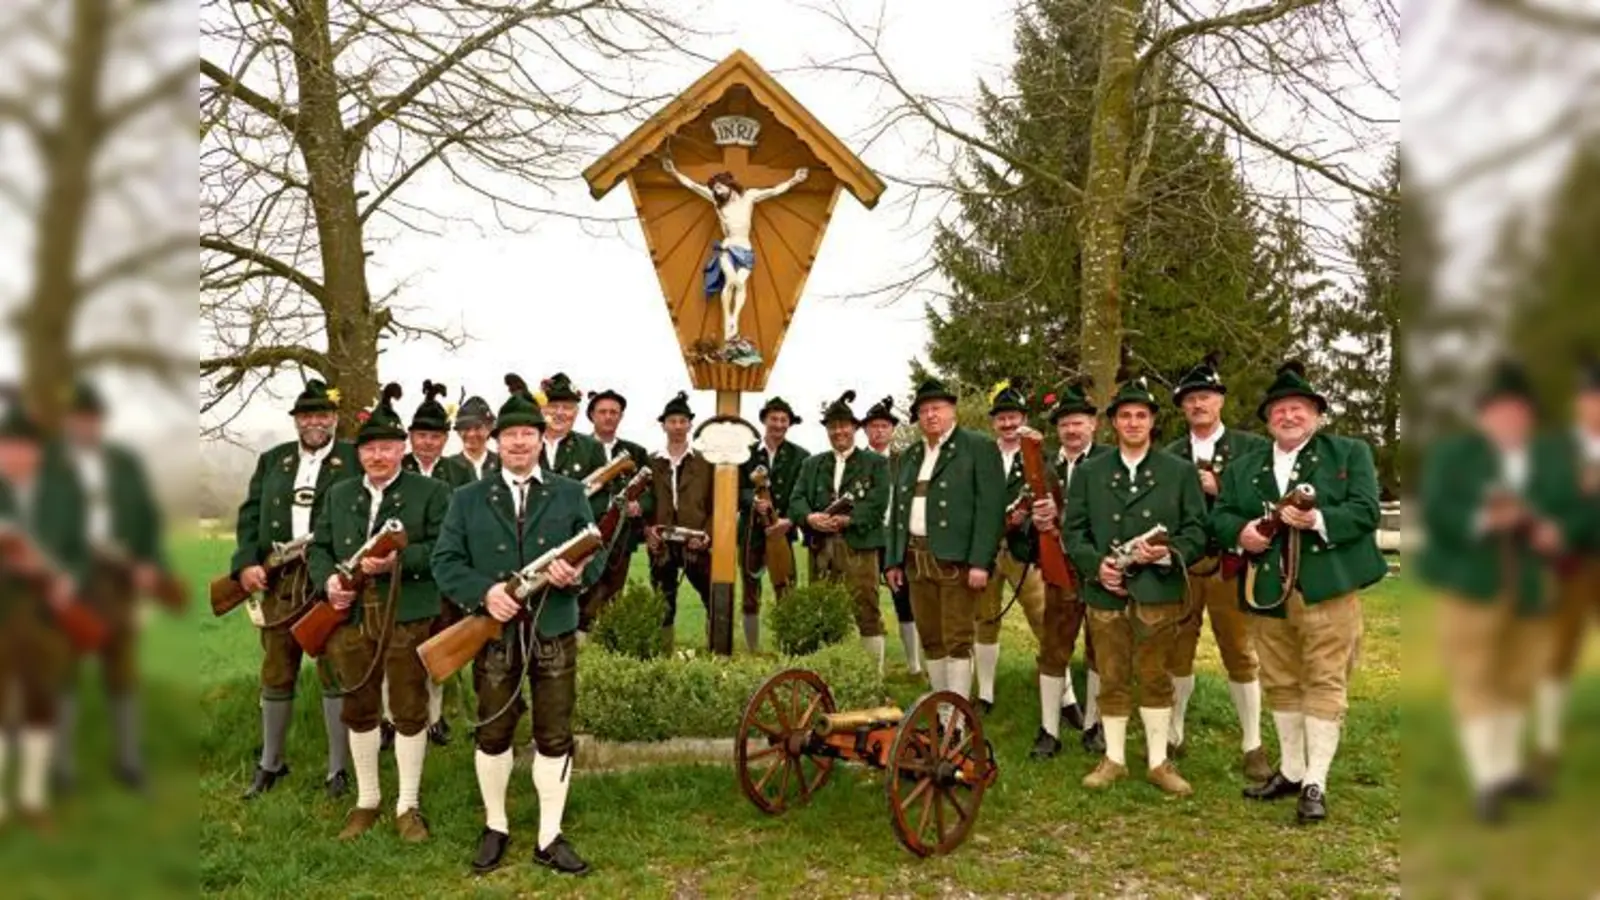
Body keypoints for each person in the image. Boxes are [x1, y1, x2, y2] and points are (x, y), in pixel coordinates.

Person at [431, 374, 607, 876]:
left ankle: (550, 836)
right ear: (495, 440)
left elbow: (595, 557)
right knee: (492, 733)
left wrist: (574, 574)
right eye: (509, 435)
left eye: (528, 433)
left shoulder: (572, 493)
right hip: (494, 632)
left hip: (552, 629)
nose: (519, 442)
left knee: (554, 735)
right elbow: (446, 561)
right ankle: (496, 825)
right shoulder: (467, 498)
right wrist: (484, 593)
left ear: (539, 437)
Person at [1212, 361, 1388, 823]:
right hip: (1266, 589)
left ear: (1316, 414)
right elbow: (1222, 516)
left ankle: (1316, 781)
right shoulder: (1245, 466)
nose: (1288, 417)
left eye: (1298, 409)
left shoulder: (1348, 454)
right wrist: (1243, 532)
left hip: (1325, 587)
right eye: (1280, 411)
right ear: (1268, 419)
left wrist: (1318, 520)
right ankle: (1290, 770)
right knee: (1280, 680)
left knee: (1325, 680)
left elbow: (1366, 511)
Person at [1419, 362, 1573, 823]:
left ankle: (1507, 771)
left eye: (1518, 411)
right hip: (1472, 584)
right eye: (1500, 411)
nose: (1509, 419)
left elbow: (1575, 507)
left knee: (1519, 678)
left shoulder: (1549, 458)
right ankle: (1485, 780)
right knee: (1475, 679)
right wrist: (1489, 520)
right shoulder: (1455, 456)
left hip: (1531, 584)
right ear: (1485, 415)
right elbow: (1440, 514)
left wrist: (1554, 530)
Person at [310, 384, 451, 841]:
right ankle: (366, 801)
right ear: (360, 452)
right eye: (370, 448)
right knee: (358, 705)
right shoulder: (338, 493)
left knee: (410, 708)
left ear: (402, 448)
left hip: (407, 612)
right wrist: (328, 581)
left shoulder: (431, 492)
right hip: (351, 617)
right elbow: (320, 549)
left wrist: (397, 562)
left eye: (387, 447)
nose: (378, 456)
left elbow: (444, 551)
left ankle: (407, 805)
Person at [1063, 376, 1207, 796]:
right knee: (1110, 674)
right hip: (1105, 592)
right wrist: (1097, 566)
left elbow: (1198, 532)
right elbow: (1073, 533)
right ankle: (1114, 759)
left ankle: (1159, 762)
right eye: (1125, 415)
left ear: (1153, 422)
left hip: (1158, 592)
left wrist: (1164, 554)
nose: (1133, 422)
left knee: (1156, 674)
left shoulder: (1178, 472)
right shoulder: (1090, 472)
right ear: (1113, 423)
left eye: (1141, 415)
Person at [230, 379, 359, 799]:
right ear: (297, 421)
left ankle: (338, 770)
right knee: (277, 668)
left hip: (329, 578)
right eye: (307, 416)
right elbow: (250, 516)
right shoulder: (273, 460)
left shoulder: (354, 457)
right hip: (279, 580)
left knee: (335, 668)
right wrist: (246, 564)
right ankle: (271, 763)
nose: (314, 422)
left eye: (322, 415)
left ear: (334, 419)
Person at [51, 381, 169, 792]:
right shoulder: (50, 465)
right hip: (69, 581)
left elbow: (147, 518)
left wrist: (150, 564)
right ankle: (61, 767)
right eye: (77, 419)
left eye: (91, 419)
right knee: (62, 670)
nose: (84, 426)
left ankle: (128, 761)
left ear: (100, 421)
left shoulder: (124, 463)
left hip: (119, 581)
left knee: (122, 668)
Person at [1162, 354, 1273, 779]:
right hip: (1186, 566)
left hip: (1232, 563)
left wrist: (1221, 486)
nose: (1197, 405)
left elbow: (1267, 501)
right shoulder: (1171, 454)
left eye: (1205, 396)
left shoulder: (1251, 448)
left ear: (1220, 401)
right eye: (1190, 399)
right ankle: (1173, 732)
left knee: (1239, 650)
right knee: (1178, 649)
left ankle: (1252, 744)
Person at [883, 379, 1006, 711]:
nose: (930, 415)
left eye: (936, 408)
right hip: (915, 559)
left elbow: (991, 509)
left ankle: (959, 715)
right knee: (931, 637)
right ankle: (941, 708)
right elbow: (898, 511)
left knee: (957, 639)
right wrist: (893, 560)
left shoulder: (978, 447)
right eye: (923, 410)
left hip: (957, 561)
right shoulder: (910, 455)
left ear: (952, 411)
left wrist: (981, 561)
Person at [0, 398, 85, 830]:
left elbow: (77, 551)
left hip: (47, 614)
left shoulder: (61, 496)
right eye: (7, 447)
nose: (15, 456)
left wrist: (64, 579)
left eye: (23, 448)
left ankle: (32, 798)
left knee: (40, 703)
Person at [1023, 380, 1109, 759]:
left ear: (1093, 425)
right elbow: (1027, 522)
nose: (1072, 430)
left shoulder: (1110, 461)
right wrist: (1037, 521)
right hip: (1059, 571)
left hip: (1100, 568)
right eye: (1064, 425)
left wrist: (1064, 516)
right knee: (1053, 648)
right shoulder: (1045, 468)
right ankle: (1048, 729)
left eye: (1078, 422)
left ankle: (1094, 724)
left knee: (1100, 648)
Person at [393, 379, 473, 748]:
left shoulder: (460, 473)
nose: (428, 442)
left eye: (436, 436)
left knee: (439, 647)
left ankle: (434, 718)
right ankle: (392, 719)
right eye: (421, 435)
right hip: (401, 575)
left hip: (444, 576)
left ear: (446, 439)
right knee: (398, 650)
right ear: (410, 437)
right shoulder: (395, 469)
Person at [790, 391, 891, 670]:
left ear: (855, 428)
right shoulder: (812, 464)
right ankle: (830, 672)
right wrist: (810, 518)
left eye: (844, 425)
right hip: (821, 548)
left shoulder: (876, 463)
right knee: (823, 610)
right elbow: (795, 500)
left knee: (867, 609)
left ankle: (874, 676)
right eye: (833, 426)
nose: (839, 431)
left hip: (859, 547)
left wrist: (849, 520)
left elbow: (878, 503)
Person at [663, 155, 808, 342]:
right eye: (715, 190)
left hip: (746, 249)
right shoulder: (718, 204)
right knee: (730, 282)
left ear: (728, 184)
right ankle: (728, 321)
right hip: (728, 248)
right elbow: (693, 186)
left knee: (740, 284)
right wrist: (674, 172)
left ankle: (734, 320)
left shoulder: (749, 197)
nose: (718, 192)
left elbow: (774, 191)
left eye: (719, 187)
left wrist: (794, 180)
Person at [1539, 356, 1600, 778]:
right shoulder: (1557, 451)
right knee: (1558, 654)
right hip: (1573, 567)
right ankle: (1546, 746)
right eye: (1589, 398)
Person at [975, 381, 1048, 714]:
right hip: (987, 551)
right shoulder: (982, 456)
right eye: (1002, 418)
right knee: (984, 620)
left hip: (1024, 551)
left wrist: (1027, 517)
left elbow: (1049, 496)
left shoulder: (1036, 454)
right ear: (994, 423)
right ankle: (986, 693)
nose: (1007, 424)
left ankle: (1062, 694)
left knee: (1043, 619)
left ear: (1024, 419)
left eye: (1013, 417)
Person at [737, 397, 809, 652]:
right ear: (764, 421)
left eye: (783, 420)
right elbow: (735, 489)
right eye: (774, 419)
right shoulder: (745, 452)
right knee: (749, 592)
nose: (778, 424)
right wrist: (752, 501)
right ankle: (752, 650)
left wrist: (788, 519)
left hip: (783, 532)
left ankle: (788, 646)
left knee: (786, 590)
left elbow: (802, 493)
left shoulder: (801, 456)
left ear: (789, 423)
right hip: (750, 533)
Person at [578, 388, 653, 634]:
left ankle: (608, 646)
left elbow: (652, 493)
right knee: (582, 591)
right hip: (584, 533)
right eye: (603, 412)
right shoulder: (577, 448)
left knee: (613, 592)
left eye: (614, 412)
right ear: (592, 415)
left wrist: (640, 506)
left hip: (622, 536)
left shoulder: (636, 452)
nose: (608, 417)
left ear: (620, 416)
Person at [645, 392, 714, 650]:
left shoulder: (706, 463)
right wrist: (648, 532)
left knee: (712, 596)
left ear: (690, 425)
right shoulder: (651, 462)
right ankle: (664, 652)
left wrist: (707, 535)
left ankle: (715, 648)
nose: (677, 426)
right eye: (672, 421)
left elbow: (716, 505)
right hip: (662, 544)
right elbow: (645, 504)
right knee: (663, 602)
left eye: (682, 421)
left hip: (696, 541)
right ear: (663, 425)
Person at [863, 395, 922, 676]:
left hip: (895, 537)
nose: (879, 431)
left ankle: (913, 664)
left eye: (884, 426)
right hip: (864, 537)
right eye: (873, 426)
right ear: (865, 430)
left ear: (892, 430)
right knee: (867, 600)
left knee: (904, 599)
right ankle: (874, 668)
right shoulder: (857, 461)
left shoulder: (904, 461)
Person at [449, 390, 500, 481]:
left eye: (478, 428)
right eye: (466, 428)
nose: (472, 434)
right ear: (458, 432)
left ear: (489, 429)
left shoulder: (503, 465)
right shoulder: (448, 467)